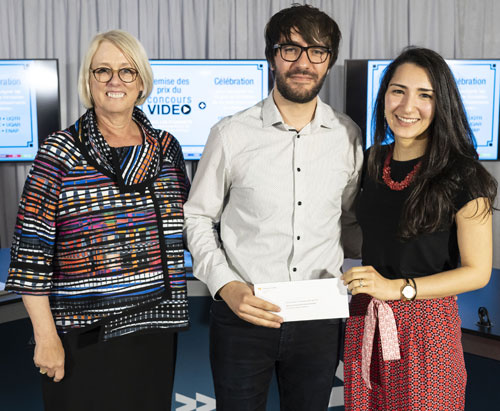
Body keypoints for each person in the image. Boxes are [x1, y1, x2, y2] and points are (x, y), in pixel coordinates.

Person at [184, 4, 362, 410]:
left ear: (329, 61)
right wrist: (225, 285)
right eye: (290, 49)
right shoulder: (230, 134)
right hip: (244, 314)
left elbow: (349, 221)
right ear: (271, 57)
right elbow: (197, 216)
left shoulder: (347, 137)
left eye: (317, 51)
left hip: (320, 318)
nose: (303, 62)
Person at [5, 30, 190, 411]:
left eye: (126, 71)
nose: (114, 81)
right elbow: (30, 252)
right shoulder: (59, 151)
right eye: (102, 70)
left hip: (154, 329)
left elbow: (191, 222)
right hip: (81, 336)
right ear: (88, 81)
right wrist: (45, 336)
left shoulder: (166, 148)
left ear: (142, 81)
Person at [342, 47, 497, 410]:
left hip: (427, 329)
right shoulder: (371, 160)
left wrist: (399, 289)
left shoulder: (465, 175)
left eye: (424, 95)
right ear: (383, 99)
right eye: (398, 91)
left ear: (441, 103)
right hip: (365, 320)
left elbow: (477, 272)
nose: (407, 106)